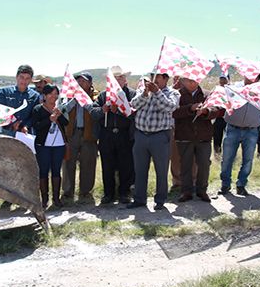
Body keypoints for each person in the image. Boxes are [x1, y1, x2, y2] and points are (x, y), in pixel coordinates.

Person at [127, 72, 180, 210]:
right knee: (140, 169)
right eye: (153, 76)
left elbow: (169, 107)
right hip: (140, 135)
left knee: (161, 170)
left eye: (157, 77)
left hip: (160, 136)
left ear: (165, 79)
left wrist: (157, 93)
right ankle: (139, 199)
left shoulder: (173, 93)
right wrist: (145, 94)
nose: (154, 80)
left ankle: (160, 200)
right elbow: (133, 104)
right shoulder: (142, 90)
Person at [218, 74, 260, 196]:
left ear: (258, 79)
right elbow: (223, 102)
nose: (250, 78)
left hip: (251, 130)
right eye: (248, 75)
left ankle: (241, 184)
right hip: (232, 128)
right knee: (227, 158)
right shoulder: (233, 88)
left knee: (248, 159)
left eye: (254, 77)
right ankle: (225, 185)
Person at [89, 66, 135, 204]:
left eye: (120, 77)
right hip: (106, 134)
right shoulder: (103, 95)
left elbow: (133, 113)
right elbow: (93, 112)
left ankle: (124, 193)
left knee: (125, 164)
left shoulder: (131, 94)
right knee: (107, 165)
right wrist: (103, 110)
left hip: (125, 134)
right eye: (115, 78)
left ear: (125, 79)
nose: (118, 80)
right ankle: (108, 194)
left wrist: (119, 111)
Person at [172, 77, 217, 202]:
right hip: (184, 136)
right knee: (185, 165)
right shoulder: (176, 95)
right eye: (188, 80)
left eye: (194, 80)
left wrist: (206, 111)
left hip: (204, 137)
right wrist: (190, 108)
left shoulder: (208, 94)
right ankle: (186, 191)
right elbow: (173, 112)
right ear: (183, 81)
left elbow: (217, 111)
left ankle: (202, 191)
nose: (192, 82)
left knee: (204, 165)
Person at [32, 84, 69, 208]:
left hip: (59, 144)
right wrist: (50, 119)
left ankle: (56, 198)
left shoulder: (60, 107)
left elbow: (66, 123)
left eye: (55, 94)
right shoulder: (38, 108)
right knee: (43, 171)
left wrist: (59, 115)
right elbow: (36, 126)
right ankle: (44, 198)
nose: (53, 97)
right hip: (43, 145)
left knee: (56, 170)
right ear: (45, 95)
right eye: (50, 94)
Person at [62, 72, 97, 200]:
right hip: (72, 133)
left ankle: (85, 191)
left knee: (88, 162)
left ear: (90, 83)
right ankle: (67, 191)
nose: (81, 84)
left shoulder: (96, 96)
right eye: (79, 81)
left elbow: (96, 112)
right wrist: (75, 99)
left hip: (89, 133)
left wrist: (85, 100)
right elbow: (62, 109)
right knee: (68, 162)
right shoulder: (68, 95)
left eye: (84, 81)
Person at [0, 65, 40, 137]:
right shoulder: (5, 92)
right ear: (17, 77)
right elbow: (1, 111)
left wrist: (26, 126)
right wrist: (12, 124)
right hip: (7, 131)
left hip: (25, 133)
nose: (24, 81)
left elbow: (34, 115)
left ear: (30, 80)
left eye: (27, 78)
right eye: (22, 77)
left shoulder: (35, 96)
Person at [212, 72, 229, 154]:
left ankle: (227, 153)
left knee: (228, 138)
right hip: (218, 117)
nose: (222, 81)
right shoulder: (215, 90)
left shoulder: (231, 90)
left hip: (228, 118)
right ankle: (217, 154)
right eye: (221, 79)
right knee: (217, 137)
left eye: (224, 79)